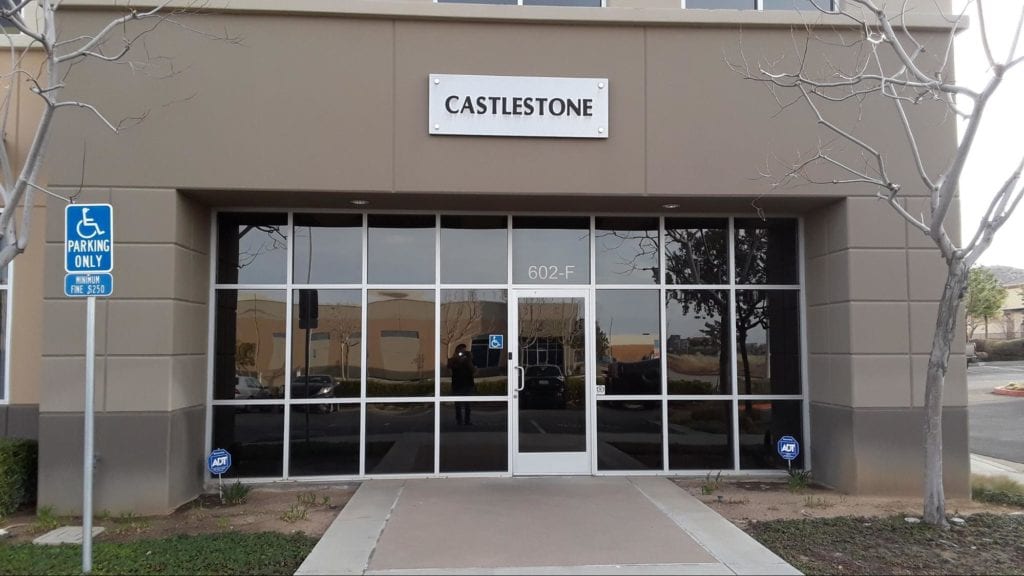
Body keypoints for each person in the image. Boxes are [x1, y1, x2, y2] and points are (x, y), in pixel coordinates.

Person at [447, 343, 476, 425]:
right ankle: (459, 420)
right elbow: (449, 368)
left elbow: (474, 371)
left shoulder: (468, 360)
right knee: (458, 405)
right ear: (457, 351)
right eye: (461, 351)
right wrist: (457, 360)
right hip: (457, 385)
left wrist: (469, 359)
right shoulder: (453, 360)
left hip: (468, 384)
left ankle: (467, 420)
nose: (463, 353)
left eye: (464, 351)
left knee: (468, 405)